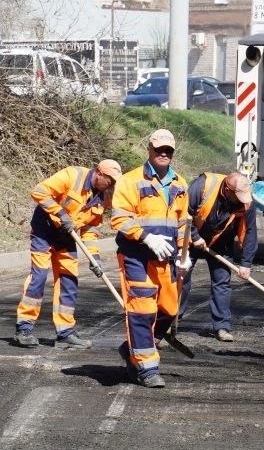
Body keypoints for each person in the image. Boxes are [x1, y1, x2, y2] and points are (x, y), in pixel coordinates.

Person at [110, 129, 190, 388]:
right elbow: (120, 218)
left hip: (165, 257)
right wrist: (145, 236)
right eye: (159, 150)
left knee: (169, 309)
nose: (164, 154)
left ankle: (132, 347)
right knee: (143, 310)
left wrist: (183, 254)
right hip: (137, 255)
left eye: (168, 150)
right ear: (150, 151)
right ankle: (146, 367)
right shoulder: (131, 180)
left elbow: (182, 223)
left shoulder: (180, 183)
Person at [14, 159, 123, 349]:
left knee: (69, 280)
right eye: (110, 181)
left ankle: (65, 332)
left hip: (67, 235)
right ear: (98, 173)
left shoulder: (103, 198)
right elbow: (38, 191)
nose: (111, 186)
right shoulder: (72, 175)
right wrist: (61, 213)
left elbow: (90, 229)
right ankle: (24, 328)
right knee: (39, 276)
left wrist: (94, 257)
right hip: (45, 230)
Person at [179, 172, 258, 342]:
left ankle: (222, 326)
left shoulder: (247, 201)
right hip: (191, 240)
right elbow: (183, 213)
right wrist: (195, 236)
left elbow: (251, 232)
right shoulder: (203, 186)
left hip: (221, 243)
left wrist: (246, 263)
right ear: (228, 190)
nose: (242, 200)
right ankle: (170, 322)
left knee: (222, 282)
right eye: (238, 196)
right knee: (181, 278)